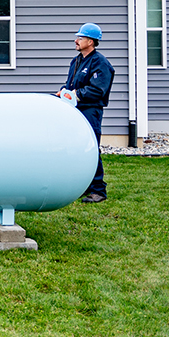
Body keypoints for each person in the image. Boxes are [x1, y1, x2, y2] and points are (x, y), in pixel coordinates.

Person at [59, 23, 114, 203]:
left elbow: (98, 90)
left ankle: (98, 190)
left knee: (90, 148)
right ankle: (83, 186)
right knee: (78, 147)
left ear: (90, 42)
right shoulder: (76, 61)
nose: (76, 41)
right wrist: (63, 92)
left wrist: (76, 94)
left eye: (80, 38)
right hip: (76, 109)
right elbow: (71, 85)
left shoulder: (100, 63)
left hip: (91, 109)